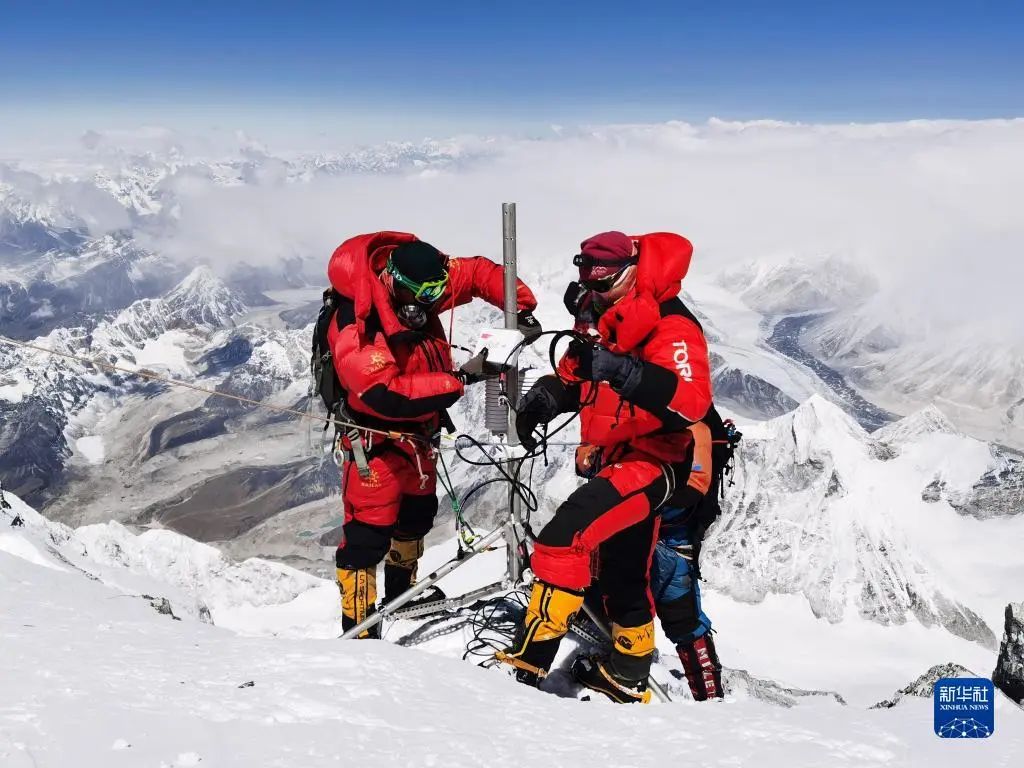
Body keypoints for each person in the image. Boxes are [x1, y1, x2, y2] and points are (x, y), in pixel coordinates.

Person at [496, 230, 713, 703]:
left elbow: (692, 402)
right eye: (589, 285)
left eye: (606, 284)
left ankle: (527, 665)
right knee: (621, 571)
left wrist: (628, 374)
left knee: (562, 540)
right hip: (613, 457)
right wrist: (544, 400)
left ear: (633, 270)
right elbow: (577, 376)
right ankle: (628, 672)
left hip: (654, 461)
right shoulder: (599, 313)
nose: (594, 294)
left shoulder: (671, 324)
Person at [327, 232, 541, 637]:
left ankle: (402, 596)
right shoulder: (358, 321)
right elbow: (384, 393)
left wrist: (522, 307)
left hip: (420, 436)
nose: (432, 303)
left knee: (415, 517)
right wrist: (459, 377)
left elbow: (476, 273)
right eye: (425, 295)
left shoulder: (416, 291)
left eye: (437, 293)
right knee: (367, 533)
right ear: (397, 283)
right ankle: (359, 627)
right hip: (374, 440)